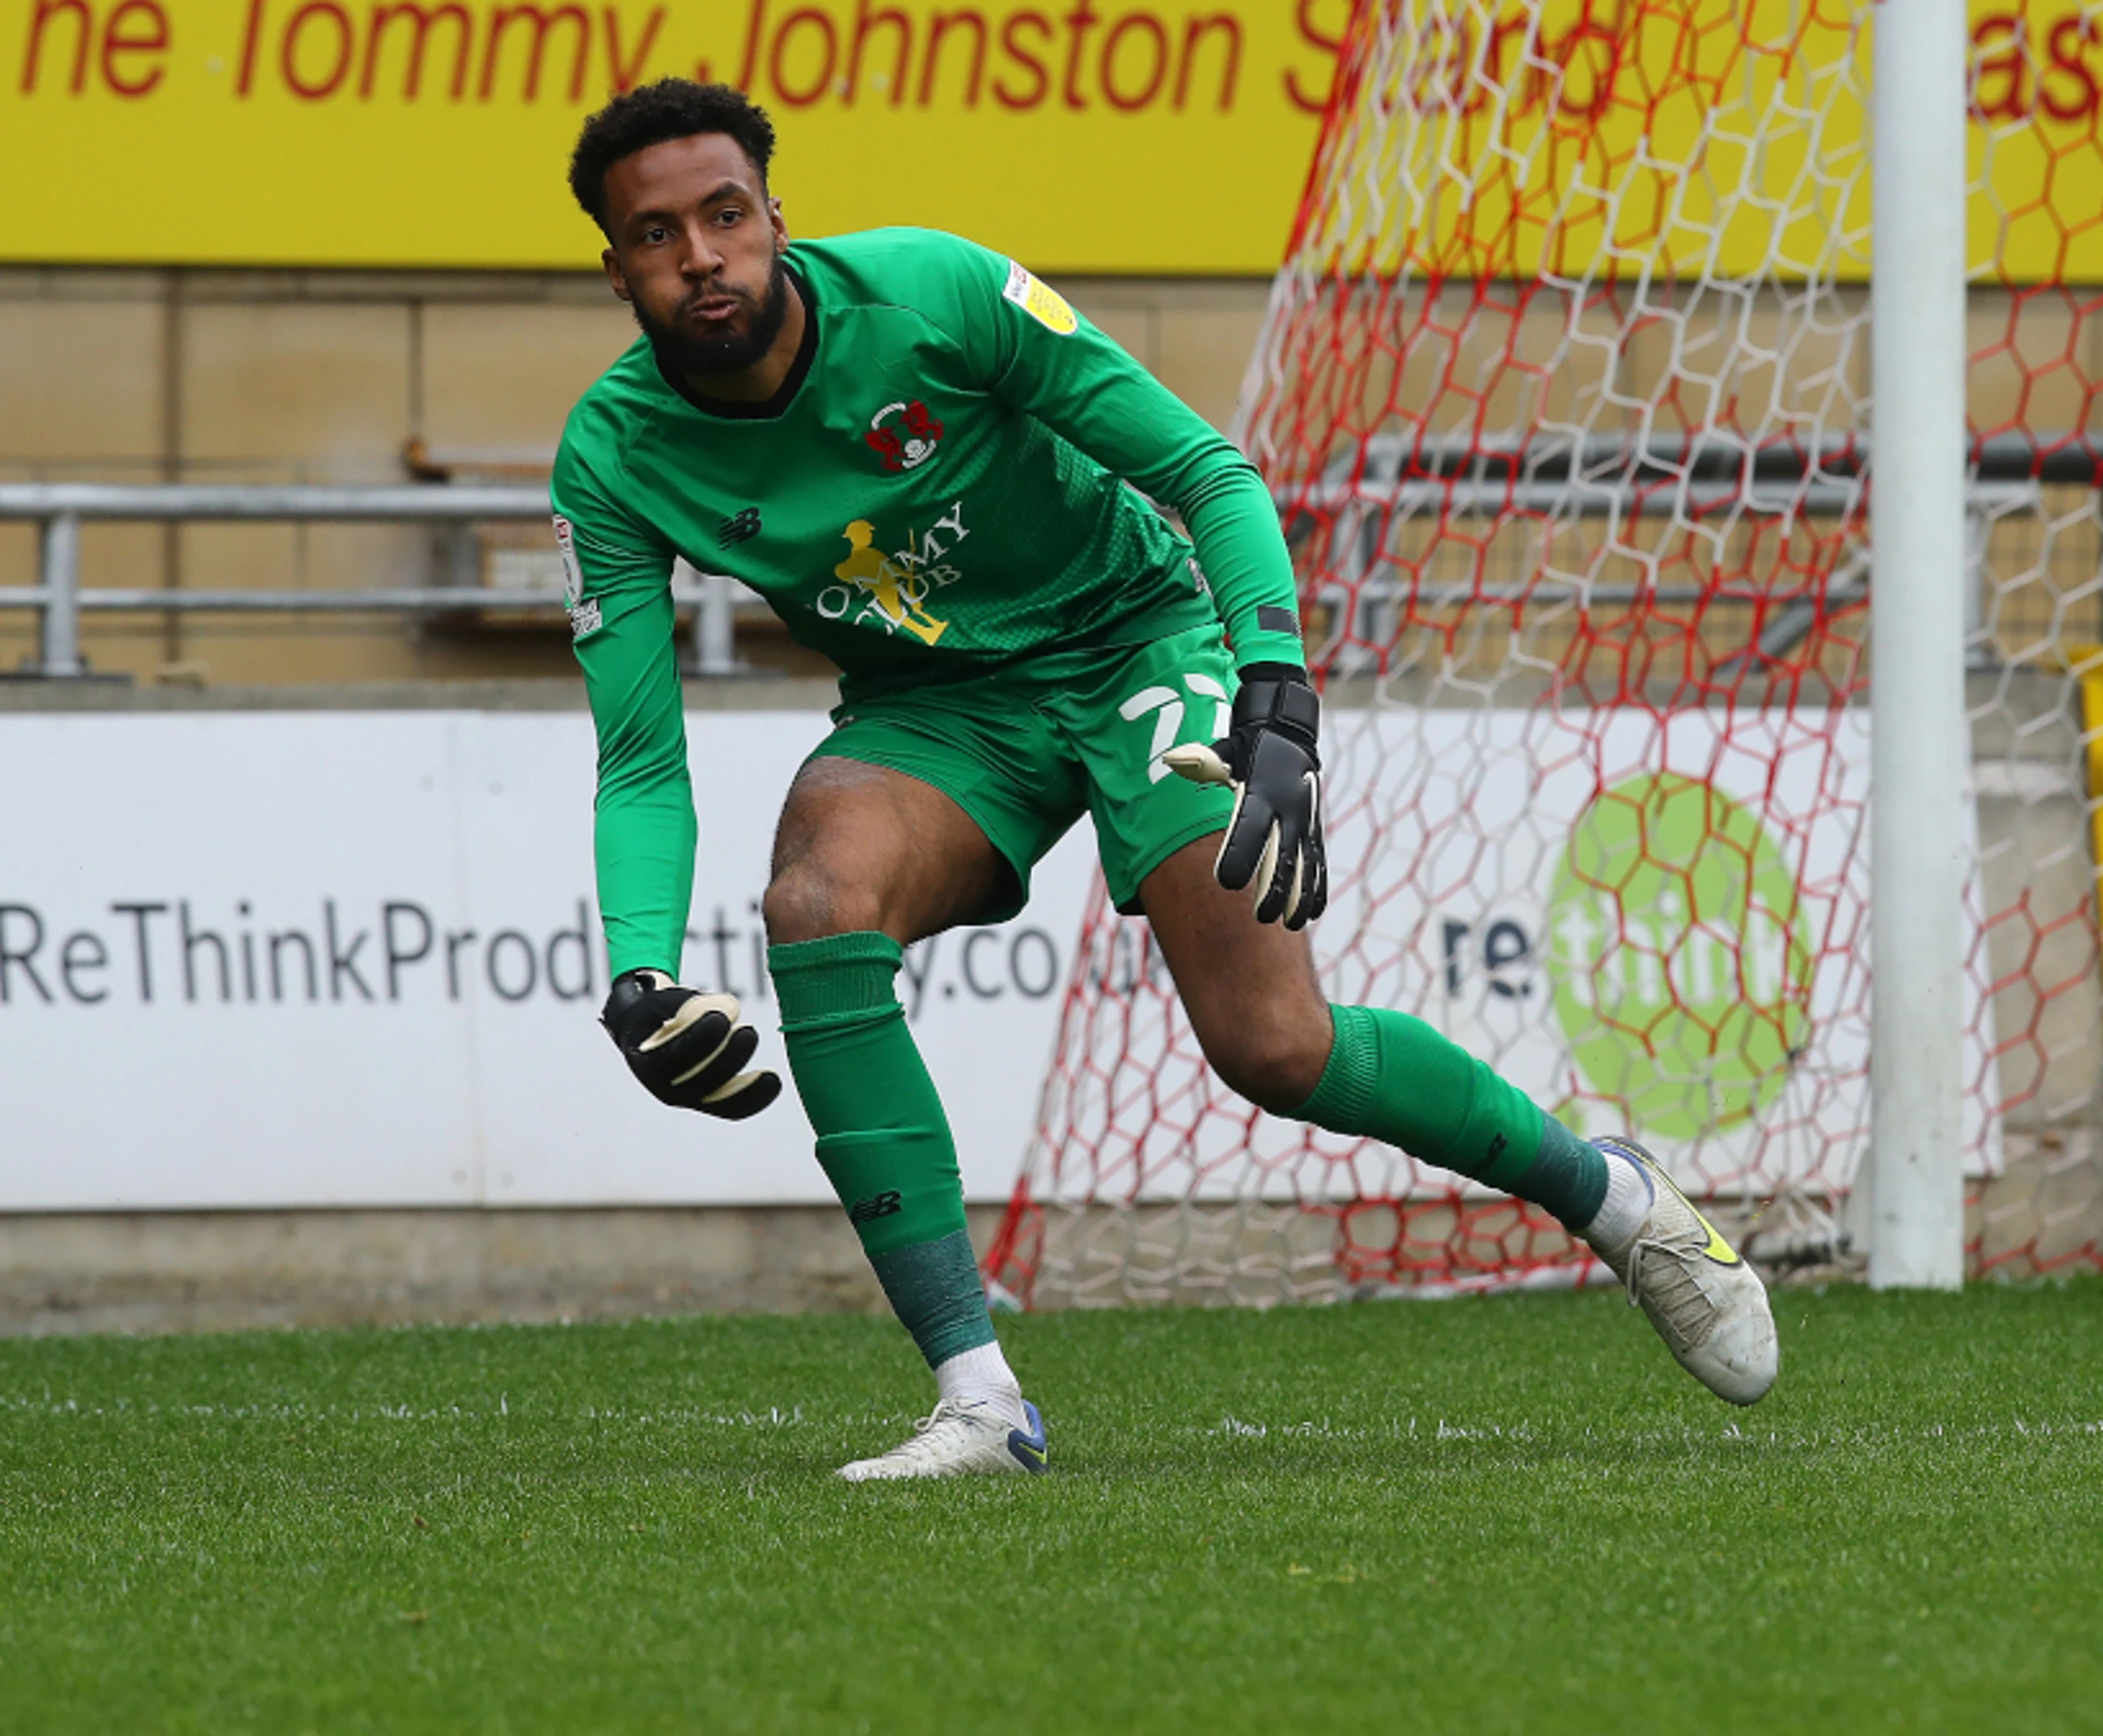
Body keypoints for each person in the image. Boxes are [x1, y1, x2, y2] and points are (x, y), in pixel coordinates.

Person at [553, 80, 1778, 1481]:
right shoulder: (611, 453)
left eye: (724, 217)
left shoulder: (938, 293)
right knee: (817, 900)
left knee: (1274, 1048)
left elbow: (1207, 469)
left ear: (778, 216)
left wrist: (1276, 689)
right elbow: (642, 755)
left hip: (1134, 633)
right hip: (938, 710)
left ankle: (1615, 1202)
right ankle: (979, 1402)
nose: (701, 259)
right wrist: (642, 975)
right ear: (617, 268)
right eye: (657, 237)